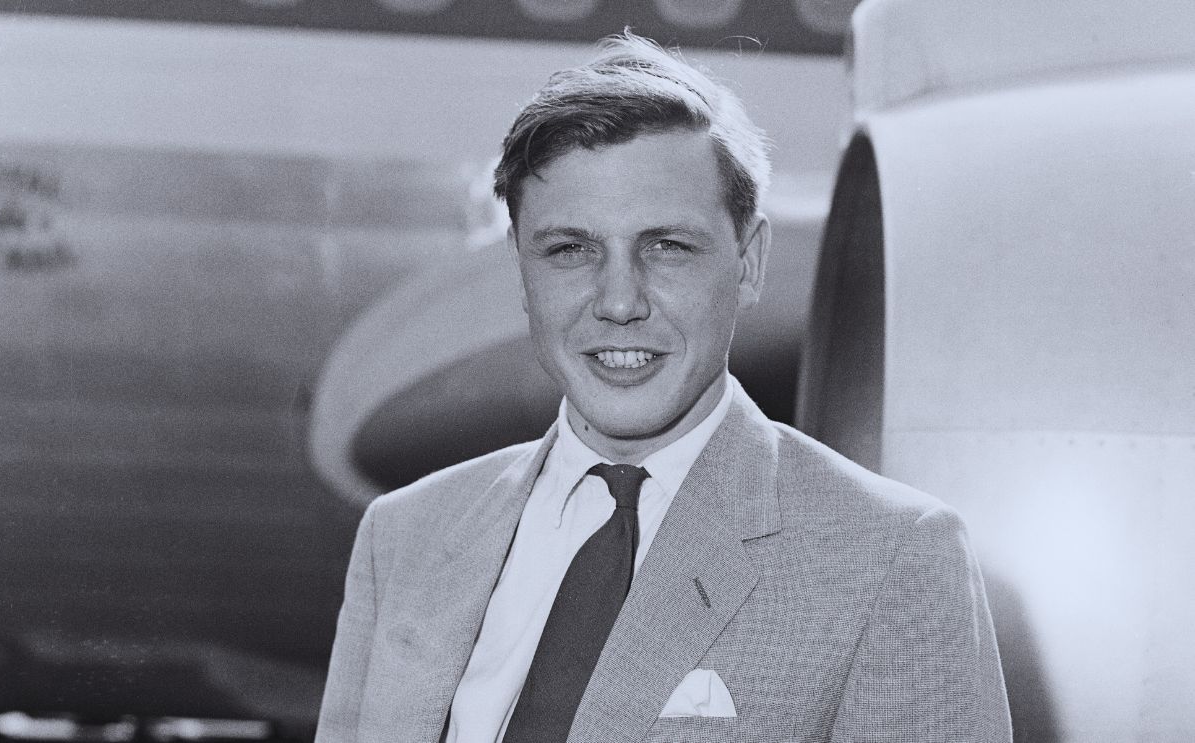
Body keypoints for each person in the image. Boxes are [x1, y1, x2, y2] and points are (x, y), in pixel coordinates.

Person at [316, 32, 1011, 743]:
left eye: (666, 247)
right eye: (570, 250)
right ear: (520, 271)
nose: (618, 301)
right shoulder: (404, 536)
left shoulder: (890, 557)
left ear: (748, 262)